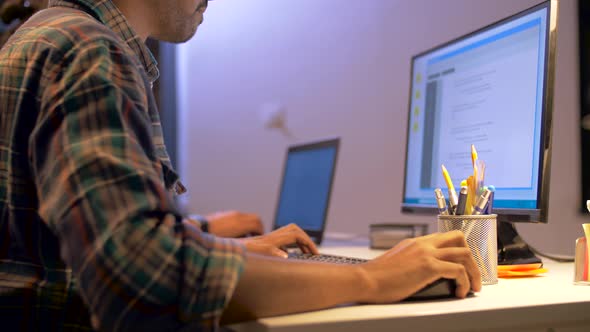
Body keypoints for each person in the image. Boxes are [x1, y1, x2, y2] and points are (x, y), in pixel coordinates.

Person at [0, 0, 482, 330]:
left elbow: (90, 246)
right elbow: (142, 278)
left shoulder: (52, 35)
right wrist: (373, 278)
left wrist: (230, 250)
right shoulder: (86, 50)